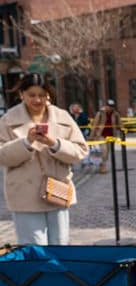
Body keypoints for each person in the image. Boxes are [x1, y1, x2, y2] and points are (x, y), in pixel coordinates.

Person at [0, 73, 88, 244]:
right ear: (21, 95)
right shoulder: (8, 120)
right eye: (32, 95)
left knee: (60, 246)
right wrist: (26, 142)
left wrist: (54, 144)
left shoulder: (62, 117)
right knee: (34, 249)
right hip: (25, 195)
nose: (37, 100)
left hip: (57, 190)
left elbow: (81, 150)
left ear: (48, 95)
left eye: (42, 95)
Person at [89, 99, 121, 173]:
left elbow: (119, 124)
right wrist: (91, 136)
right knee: (104, 150)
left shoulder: (115, 114)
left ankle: (102, 164)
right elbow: (95, 125)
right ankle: (102, 166)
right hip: (101, 135)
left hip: (111, 136)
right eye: (109, 106)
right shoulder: (100, 113)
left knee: (107, 152)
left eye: (112, 106)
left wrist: (122, 130)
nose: (110, 108)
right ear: (106, 106)